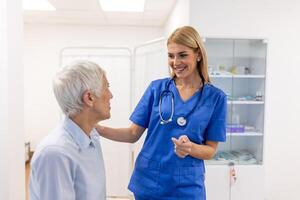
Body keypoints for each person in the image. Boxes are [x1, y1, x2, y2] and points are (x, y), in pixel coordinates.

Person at [96, 26, 227, 199]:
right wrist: (96, 128)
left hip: (187, 186)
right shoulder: (157, 89)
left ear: (198, 55)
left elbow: (210, 150)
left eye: (182, 54)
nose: (175, 62)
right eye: (170, 55)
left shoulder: (216, 98)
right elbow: (132, 133)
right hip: (150, 180)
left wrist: (190, 148)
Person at [29, 60, 113, 200]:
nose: (111, 95)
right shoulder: (56, 153)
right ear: (89, 97)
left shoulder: (92, 136)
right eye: (107, 87)